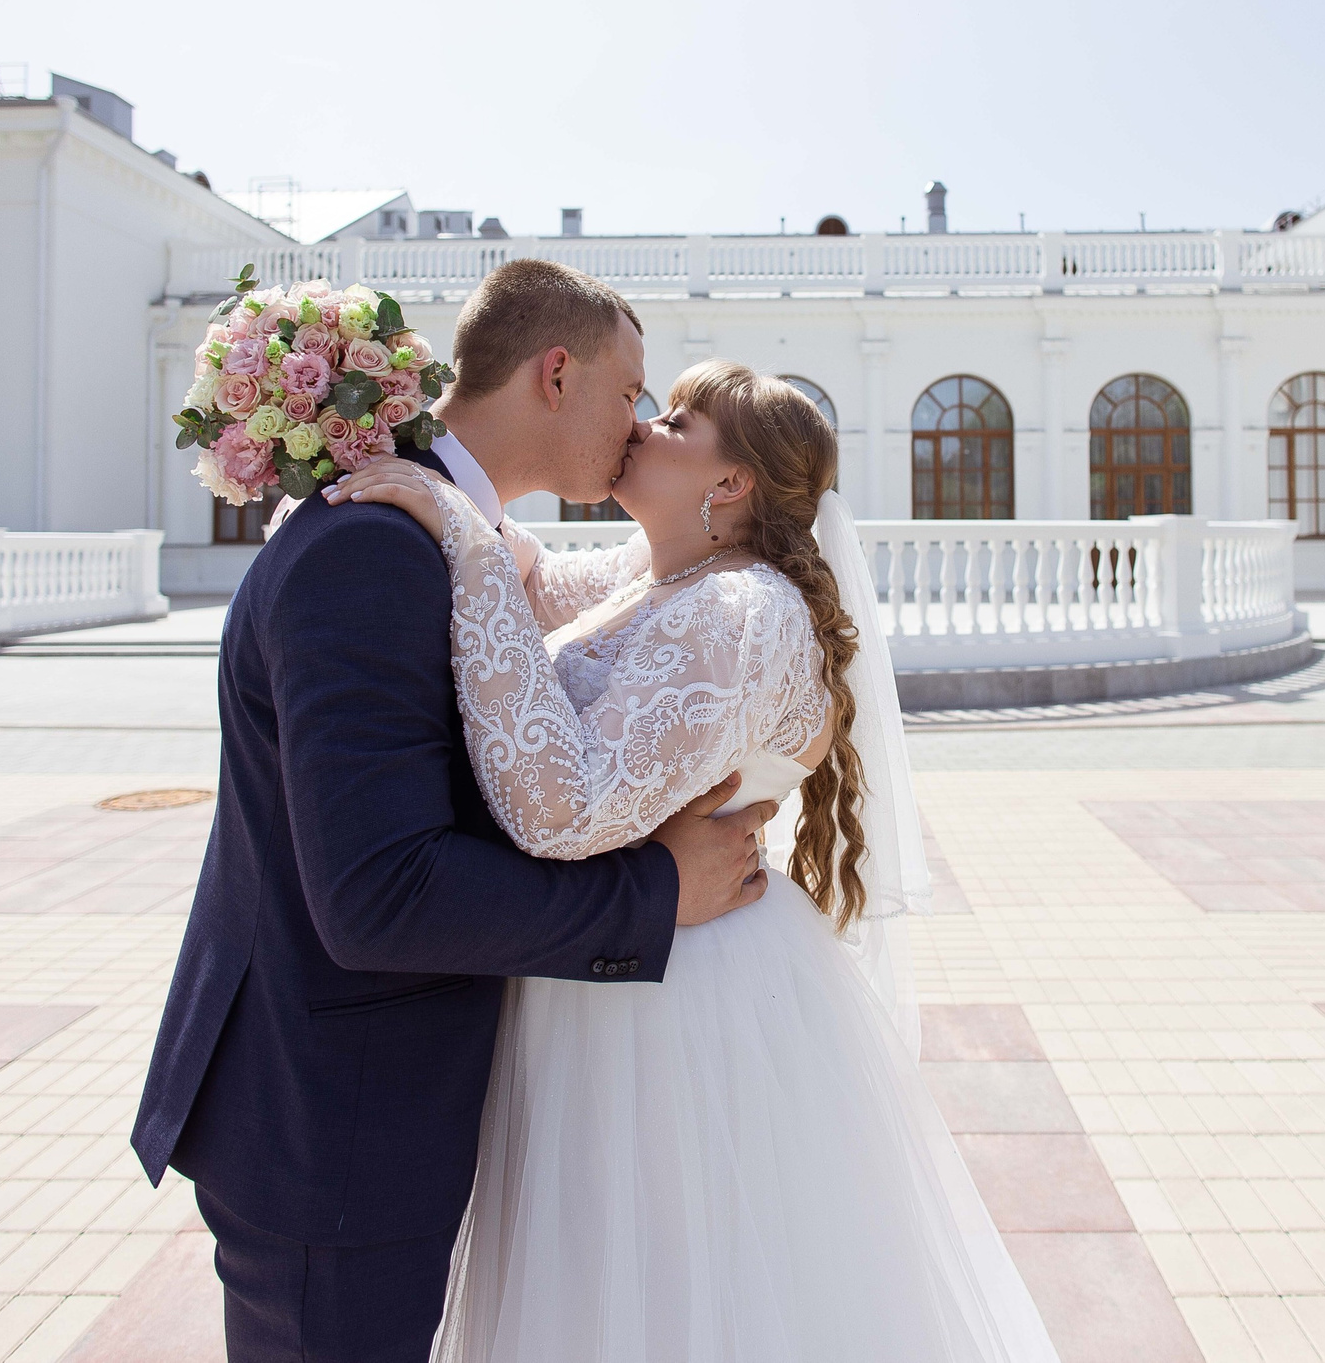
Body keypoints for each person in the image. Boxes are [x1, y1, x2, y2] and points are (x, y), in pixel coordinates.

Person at [333, 360, 1058, 1362]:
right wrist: (436, 488)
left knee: (677, 1281)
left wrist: (460, 538)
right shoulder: (662, 574)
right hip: (617, 956)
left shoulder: (740, 612)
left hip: (680, 992)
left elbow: (566, 810)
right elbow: (533, 587)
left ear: (732, 483)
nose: (643, 423)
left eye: (677, 421)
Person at [131, 262, 778, 1363]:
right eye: (630, 392)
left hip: (349, 1109)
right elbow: (380, 894)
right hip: (334, 1128)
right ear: (556, 374)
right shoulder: (374, 549)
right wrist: (657, 891)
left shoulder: (434, 531)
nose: (636, 424)